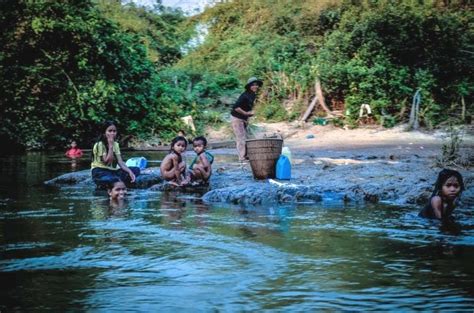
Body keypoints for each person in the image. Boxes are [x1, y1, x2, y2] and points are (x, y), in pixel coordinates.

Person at [91, 121, 140, 188]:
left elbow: (120, 162)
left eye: (114, 131)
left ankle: (119, 181)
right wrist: (110, 146)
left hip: (113, 171)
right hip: (100, 171)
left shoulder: (116, 144)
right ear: (104, 133)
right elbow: (107, 162)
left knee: (136, 169)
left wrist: (130, 172)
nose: (112, 133)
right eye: (110, 131)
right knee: (111, 179)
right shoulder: (100, 144)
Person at [231, 77, 263, 161]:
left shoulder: (253, 95)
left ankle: (246, 155)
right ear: (249, 86)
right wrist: (246, 113)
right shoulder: (244, 95)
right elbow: (236, 107)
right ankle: (242, 157)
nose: (255, 87)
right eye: (253, 85)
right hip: (237, 118)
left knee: (247, 137)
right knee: (241, 138)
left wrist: (249, 114)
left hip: (244, 118)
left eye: (256, 85)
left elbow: (247, 107)